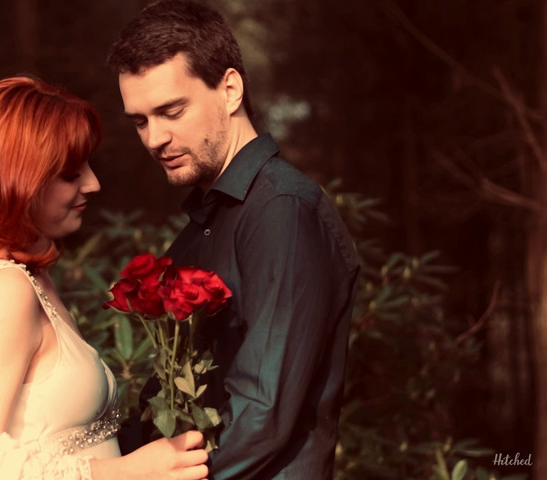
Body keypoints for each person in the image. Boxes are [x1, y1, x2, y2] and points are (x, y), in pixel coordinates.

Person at [107, 2, 360, 479]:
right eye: (140, 121)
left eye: (171, 111)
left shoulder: (283, 210)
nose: (154, 138)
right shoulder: (202, 229)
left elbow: (263, 413)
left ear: (229, 89)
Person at [0, 76, 209, 480]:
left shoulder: (30, 279)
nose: (94, 183)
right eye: (71, 173)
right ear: (16, 180)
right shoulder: (2, 290)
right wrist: (129, 473)